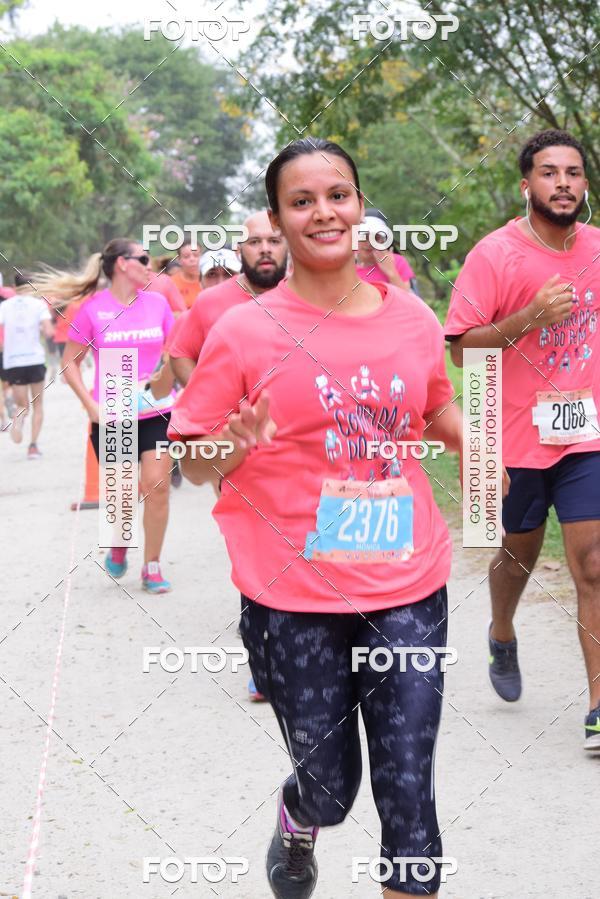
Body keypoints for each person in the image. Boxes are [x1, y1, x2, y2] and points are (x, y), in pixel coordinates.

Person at [170, 138, 463, 898]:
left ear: (360, 206)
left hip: (405, 575)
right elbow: (192, 459)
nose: (323, 212)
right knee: (331, 788)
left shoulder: (412, 318)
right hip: (292, 591)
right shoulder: (242, 329)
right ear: (278, 218)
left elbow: (434, 404)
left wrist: (475, 443)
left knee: (408, 792)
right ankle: (300, 817)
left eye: (338, 195)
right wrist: (228, 447)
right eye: (302, 201)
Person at [445, 129, 600, 751]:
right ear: (526, 184)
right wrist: (531, 317)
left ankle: (597, 706)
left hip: (586, 434)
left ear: (584, 184)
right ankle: (502, 631)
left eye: (573, 172)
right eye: (548, 172)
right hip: (511, 437)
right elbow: (460, 349)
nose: (562, 182)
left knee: (592, 563)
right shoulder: (496, 254)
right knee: (517, 553)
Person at [32, 239, 175, 594]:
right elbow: (70, 364)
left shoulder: (157, 303)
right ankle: (119, 540)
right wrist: (91, 407)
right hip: (113, 407)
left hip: (157, 408)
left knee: (157, 487)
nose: (149, 263)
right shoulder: (93, 309)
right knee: (122, 494)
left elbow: (176, 351)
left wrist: (168, 378)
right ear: (122, 264)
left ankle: (152, 566)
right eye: (143, 258)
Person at [169, 211, 288, 386]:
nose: (265, 249)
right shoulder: (208, 301)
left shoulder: (310, 294)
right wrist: (208, 400)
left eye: (274, 241)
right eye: (254, 242)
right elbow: (180, 354)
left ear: (288, 246)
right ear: (239, 251)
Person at [0, 272, 54, 457]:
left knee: (22, 405)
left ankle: (18, 417)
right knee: (38, 404)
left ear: (15, 287)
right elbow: (48, 332)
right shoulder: (39, 305)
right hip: (34, 359)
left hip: (13, 361)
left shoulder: (5, 306)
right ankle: (33, 446)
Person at [356, 213, 416, 291]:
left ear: (383, 241)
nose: (369, 243)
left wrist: (391, 271)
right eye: (364, 237)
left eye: (375, 238)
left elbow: (408, 299)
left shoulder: (397, 261)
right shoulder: (345, 263)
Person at [170, 240, 201, 309]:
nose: (192, 259)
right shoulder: (171, 283)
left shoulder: (211, 280)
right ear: (179, 260)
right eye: (186, 256)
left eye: (196, 255)